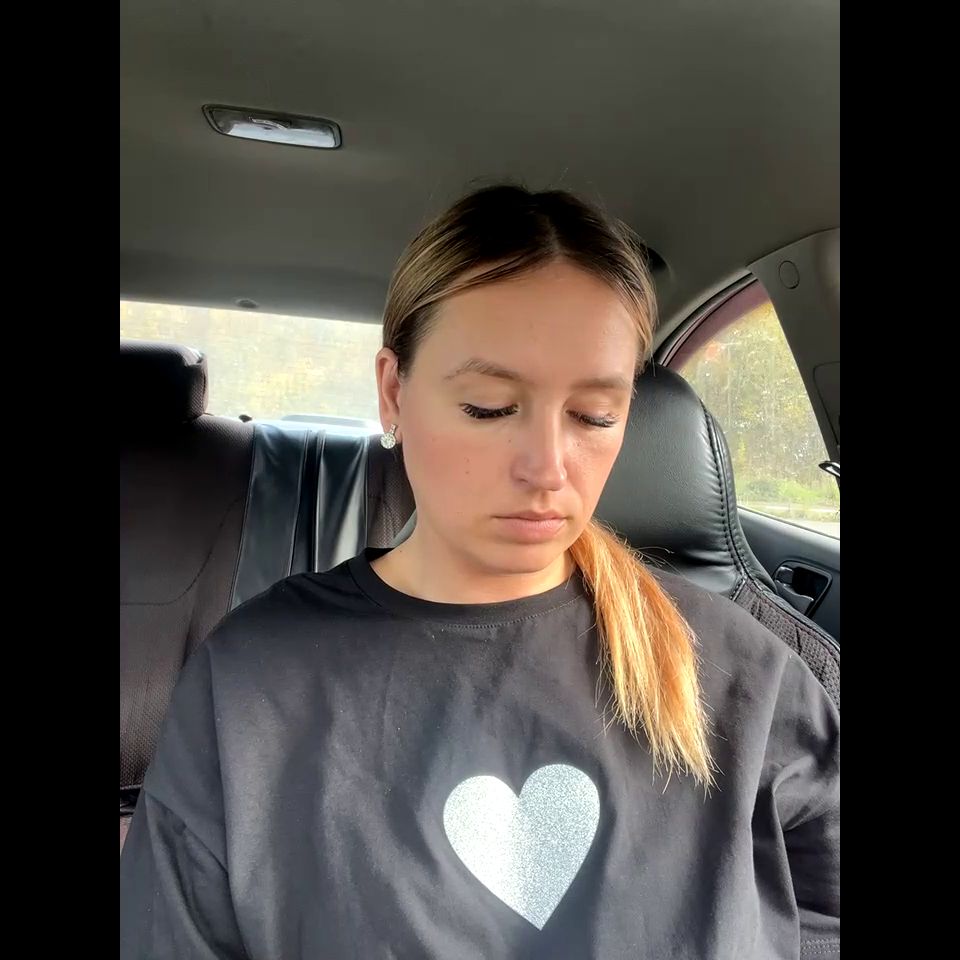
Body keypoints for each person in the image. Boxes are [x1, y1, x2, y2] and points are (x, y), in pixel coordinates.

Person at [120, 185, 840, 959]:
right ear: (393, 393)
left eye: (595, 416)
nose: (547, 467)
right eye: (491, 407)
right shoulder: (251, 684)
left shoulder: (748, 677)